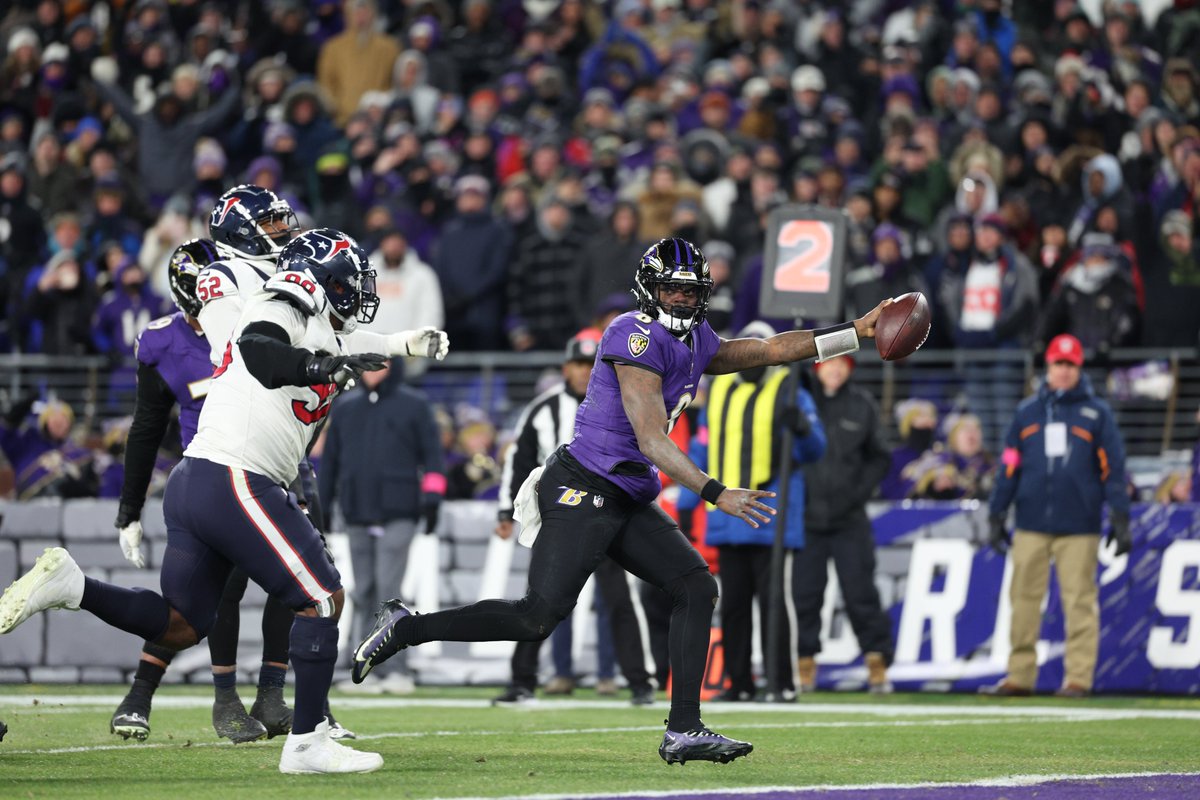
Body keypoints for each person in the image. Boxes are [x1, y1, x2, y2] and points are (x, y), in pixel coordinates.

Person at [352, 237, 888, 764]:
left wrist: (854, 333)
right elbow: (652, 437)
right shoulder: (631, 334)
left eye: (690, 290)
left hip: (627, 491)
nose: (681, 300)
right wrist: (714, 492)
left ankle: (684, 729)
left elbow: (771, 349)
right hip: (584, 485)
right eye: (671, 290)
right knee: (537, 618)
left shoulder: (699, 339)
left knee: (696, 587)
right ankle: (407, 627)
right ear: (648, 289)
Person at [0, 228, 448, 774]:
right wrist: (318, 369)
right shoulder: (283, 300)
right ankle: (307, 743)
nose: (360, 290)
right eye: (353, 280)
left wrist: (405, 343)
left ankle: (72, 586)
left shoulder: (318, 324)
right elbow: (262, 350)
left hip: (200, 481)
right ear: (322, 278)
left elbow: (349, 344)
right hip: (237, 474)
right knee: (323, 596)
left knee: (182, 623)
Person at [492, 331, 655, 707]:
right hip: (558, 522)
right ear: (566, 367)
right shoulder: (542, 409)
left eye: (590, 365)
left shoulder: (622, 404)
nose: (584, 372)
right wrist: (506, 510)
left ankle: (639, 683)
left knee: (619, 601)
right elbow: (518, 461)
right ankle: (522, 681)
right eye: (578, 364)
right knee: (539, 601)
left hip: (608, 517)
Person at [677, 321, 827, 702]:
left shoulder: (788, 388)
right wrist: (686, 503)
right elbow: (702, 451)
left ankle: (782, 683)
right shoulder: (721, 388)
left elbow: (816, 450)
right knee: (734, 607)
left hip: (772, 517)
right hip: (728, 519)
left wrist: (804, 429)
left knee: (775, 602)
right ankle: (739, 682)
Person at [981, 334, 1131, 698]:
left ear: (1078, 368)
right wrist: (997, 511)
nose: (1063, 371)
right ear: (1047, 367)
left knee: (1079, 601)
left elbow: (1114, 469)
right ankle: (1019, 676)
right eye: (1058, 364)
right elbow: (1009, 466)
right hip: (1031, 522)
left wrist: (1121, 517)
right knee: (1023, 601)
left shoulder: (1097, 414)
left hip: (1079, 525)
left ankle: (1078, 678)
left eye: (1070, 364)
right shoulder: (1026, 413)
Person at [319, 358, 446, 695]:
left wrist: (433, 499)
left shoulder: (414, 406)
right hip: (357, 511)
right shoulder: (345, 408)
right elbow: (329, 461)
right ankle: (364, 668)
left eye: (382, 366)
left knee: (388, 590)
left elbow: (433, 456)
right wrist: (323, 505)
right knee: (363, 591)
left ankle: (396, 669)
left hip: (400, 511)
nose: (374, 372)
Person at [792, 354, 894, 695]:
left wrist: (857, 494)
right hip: (807, 519)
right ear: (818, 367)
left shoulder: (861, 404)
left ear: (849, 369)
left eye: (842, 365)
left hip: (849, 519)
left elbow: (880, 456)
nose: (835, 370)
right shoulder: (800, 399)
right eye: (829, 364)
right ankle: (805, 664)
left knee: (861, 593)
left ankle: (877, 663)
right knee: (805, 595)